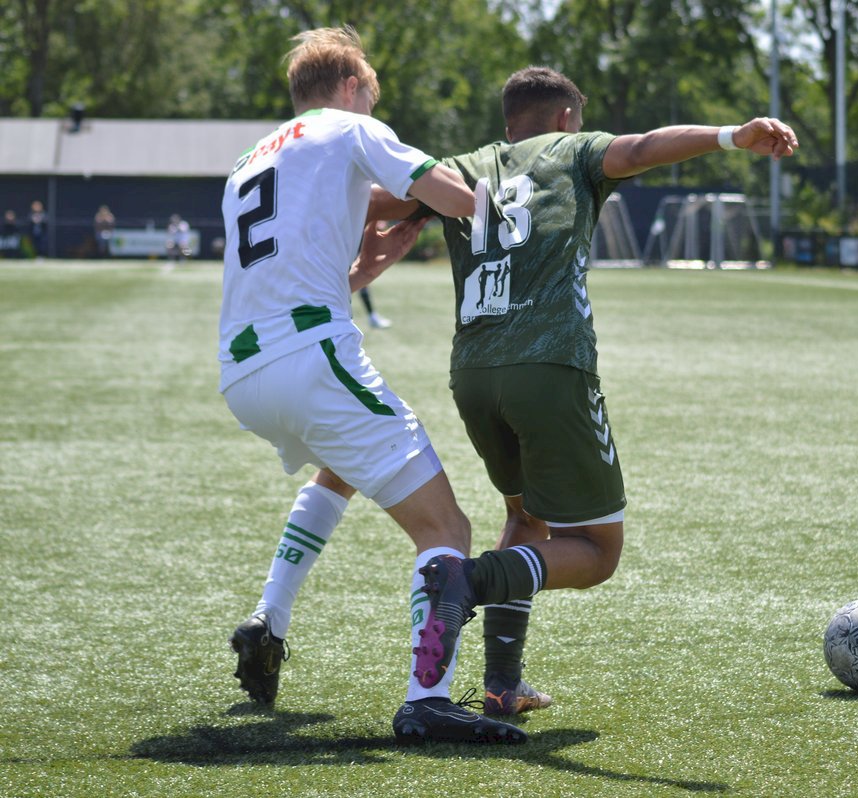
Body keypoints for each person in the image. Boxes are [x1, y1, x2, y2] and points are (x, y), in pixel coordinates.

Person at [367, 67, 798, 718]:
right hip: (549, 367)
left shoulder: (461, 168)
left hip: (473, 374)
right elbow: (644, 147)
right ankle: (466, 579)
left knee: (525, 519)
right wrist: (731, 136)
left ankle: (501, 685)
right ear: (567, 117)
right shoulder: (573, 150)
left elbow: (376, 202)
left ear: (509, 121)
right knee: (597, 552)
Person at [218, 25, 526, 746]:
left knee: (342, 463)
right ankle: (428, 699)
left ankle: (269, 619)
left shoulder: (249, 161)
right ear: (352, 87)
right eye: (370, 97)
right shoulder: (351, 127)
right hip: (309, 362)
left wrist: (365, 271)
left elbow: (292, 267)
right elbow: (447, 193)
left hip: (242, 374)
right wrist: (505, 209)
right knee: (445, 530)